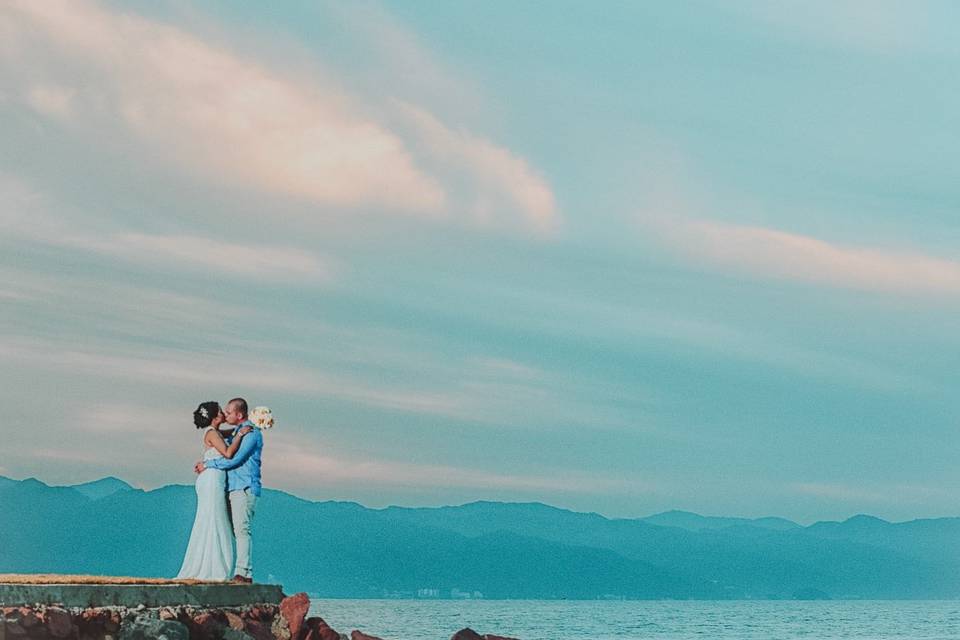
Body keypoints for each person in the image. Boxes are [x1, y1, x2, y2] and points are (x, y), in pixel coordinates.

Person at [177, 401, 252, 580]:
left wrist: (245, 427)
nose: (224, 414)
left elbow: (231, 432)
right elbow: (228, 453)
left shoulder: (216, 432)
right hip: (211, 480)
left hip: (215, 479)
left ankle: (213, 563)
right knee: (213, 519)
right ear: (214, 417)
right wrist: (241, 435)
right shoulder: (211, 433)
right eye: (220, 412)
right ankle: (212, 567)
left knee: (215, 519)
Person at [194, 397, 263, 583]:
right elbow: (222, 438)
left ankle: (243, 572)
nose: (225, 414)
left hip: (244, 487)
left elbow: (233, 459)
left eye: (229, 411)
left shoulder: (250, 433)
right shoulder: (236, 432)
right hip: (231, 487)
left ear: (239, 414)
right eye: (222, 411)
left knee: (242, 530)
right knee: (234, 529)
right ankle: (235, 569)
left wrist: (207, 464)